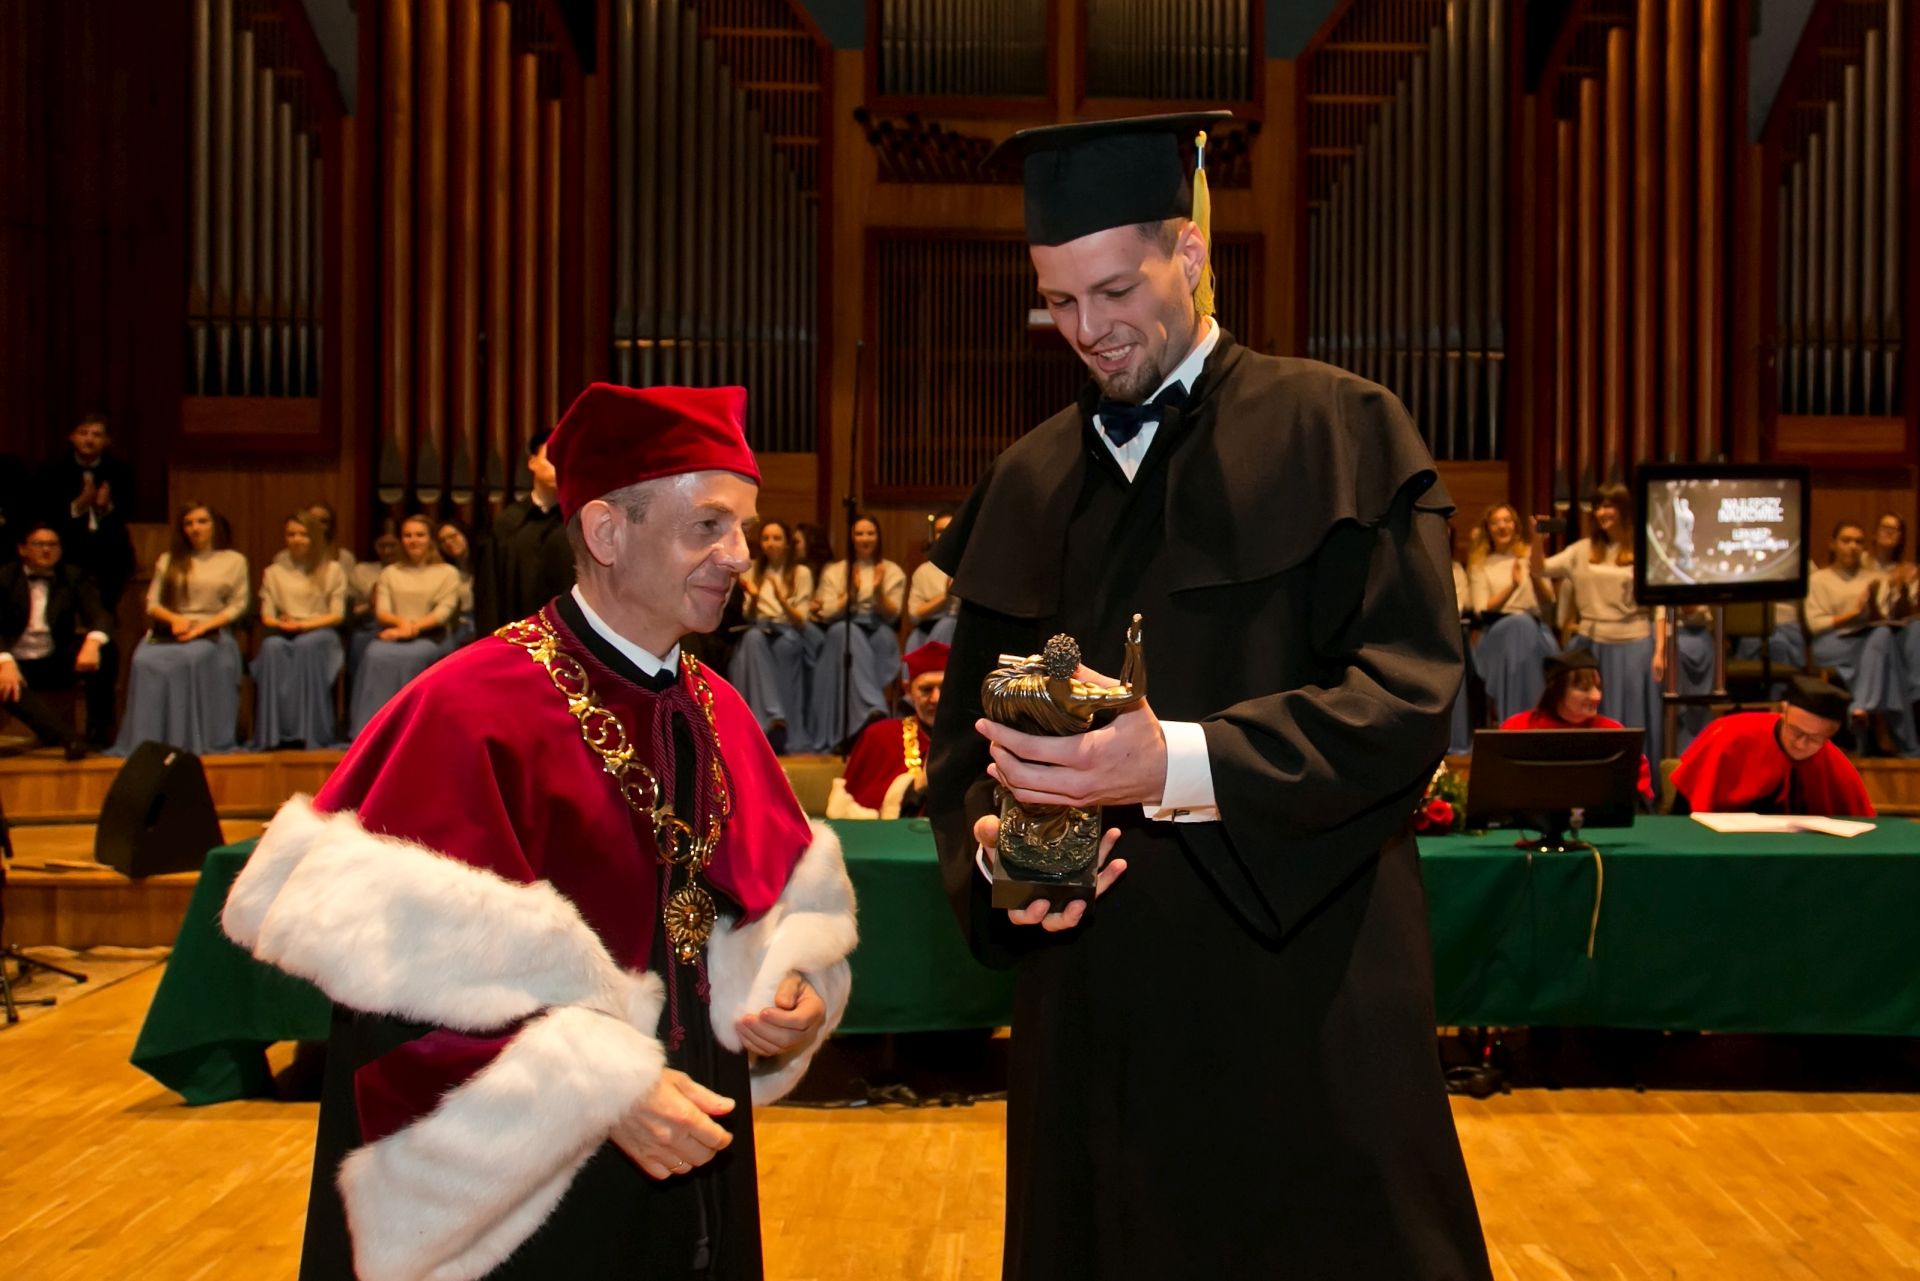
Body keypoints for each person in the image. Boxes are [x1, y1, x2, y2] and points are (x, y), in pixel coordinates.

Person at [925, 113, 1489, 1280]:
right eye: (1058, 301)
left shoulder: (1341, 428)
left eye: (1114, 290)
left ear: (1188, 251)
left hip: (1300, 997)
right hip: (1095, 1025)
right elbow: (963, 760)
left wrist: (1175, 762)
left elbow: (1405, 700)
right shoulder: (1026, 480)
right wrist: (1000, 858)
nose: (1087, 329)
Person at [221, 381, 856, 1281]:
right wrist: (595, 1086)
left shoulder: (718, 706)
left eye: (743, 528)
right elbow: (394, 1002)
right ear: (606, 531)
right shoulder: (466, 709)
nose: (741, 555)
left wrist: (793, 983)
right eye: (709, 527)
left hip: (697, 1161)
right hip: (534, 1203)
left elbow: (774, 900)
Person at [1531, 484, 1666, 767]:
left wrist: (1660, 651)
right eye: (1599, 507)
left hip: (1634, 643)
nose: (1602, 512)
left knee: (1632, 717)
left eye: (1609, 506)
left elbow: (1660, 606)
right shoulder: (1581, 550)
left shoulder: (1643, 548)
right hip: (1592, 646)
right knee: (1591, 716)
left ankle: (1635, 780)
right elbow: (1540, 569)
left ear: (1624, 510)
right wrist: (1537, 540)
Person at [111, 502, 249, 757]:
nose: (195, 528)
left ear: (214, 525)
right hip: (174, 626)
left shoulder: (233, 560)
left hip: (212, 629)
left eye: (202, 521)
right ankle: (148, 742)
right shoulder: (169, 560)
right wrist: (175, 620)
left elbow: (237, 605)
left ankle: (188, 739)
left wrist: (203, 627)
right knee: (143, 659)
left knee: (192, 657)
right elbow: (152, 604)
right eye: (189, 523)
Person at [1669, 676, 1874, 816]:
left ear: (1830, 735)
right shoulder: (1731, 736)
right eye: (1796, 731)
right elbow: (1683, 811)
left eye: (1814, 739)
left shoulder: (1835, 764)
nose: (1801, 744)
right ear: (1783, 711)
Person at [0, 522, 116, 757]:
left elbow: (99, 614)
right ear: (22, 549)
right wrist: (4, 660)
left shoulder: (72, 575)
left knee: (107, 651)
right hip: (15, 659)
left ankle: (98, 737)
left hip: (53, 658)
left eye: (52, 544)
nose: (46, 550)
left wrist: (93, 642)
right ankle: (67, 738)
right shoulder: (4, 577)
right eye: (39, 544)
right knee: (4, 681)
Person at [1805, 520, 1917, 755]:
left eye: (1858, 542)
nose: (1853, 546)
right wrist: (1853, 614)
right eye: (1846, 540)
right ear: (1833, 544)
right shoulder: (1818, 579)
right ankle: (1893, 734)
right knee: (1888, 660)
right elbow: (1815, 624)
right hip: (1832, 641)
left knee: (1883, 636)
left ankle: (1862, 711)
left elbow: (1884, 617)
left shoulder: (1874, 578)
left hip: (1867, 640)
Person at [347, 515, 461, 738]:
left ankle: (411, 732)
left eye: (419, 535)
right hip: (396, 632)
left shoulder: (447, 573)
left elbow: (442, 613)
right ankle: (372, 732)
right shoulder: (390, 573)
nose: (413, 540)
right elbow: (382, 611)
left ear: (430, 539)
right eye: (407, 535)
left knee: (412, 657)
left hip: (432, 636)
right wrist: (402, 626)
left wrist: (412, 628)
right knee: (373, 653)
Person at [1499, 648, 1656, 806]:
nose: (1596, 696)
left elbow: (1638, 790)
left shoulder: (1613, 731)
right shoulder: (1517, 727)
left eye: (1598, 687)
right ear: (1557, 691)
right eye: (1584, 688)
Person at [809, 515, 906, 751]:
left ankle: (865, 719)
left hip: (878, 630)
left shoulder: (891, 570)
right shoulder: (836, 571)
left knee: (879, 638)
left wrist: (877, 591)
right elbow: (826, 611)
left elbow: (894, 613)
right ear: (851, 538)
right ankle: (872, 710)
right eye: (859, 533)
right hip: (842, 632)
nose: (865, 539)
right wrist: (850, 594)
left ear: (878, 537)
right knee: (846, 632)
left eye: (870, 533)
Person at [252, 512, 347, 750]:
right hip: (284, 630)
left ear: (314, 537)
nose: (296, 539)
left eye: (303, 534)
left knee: (307, 646)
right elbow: (267, 615)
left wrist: (304, 625)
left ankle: (312, 732)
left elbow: (337, 614)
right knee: (271, 647)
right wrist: (283, 624)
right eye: (291, 534)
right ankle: (274, 735)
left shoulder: (332, 569)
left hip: (320, 631)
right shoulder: (274, 572)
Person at [729, 517, 820, 754]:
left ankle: (785, 727)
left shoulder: (800, 572)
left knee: (785, 646)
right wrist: (754, 598)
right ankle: (770, 721)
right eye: (766, 538)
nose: (771, 543)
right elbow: (749, 615)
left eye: (777, 538)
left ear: (787, 543)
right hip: (760, 629)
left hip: (790, 631)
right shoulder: (752, 569)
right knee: (753, 639)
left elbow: (801, 619)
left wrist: (780, 599)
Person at [474, 425, 574, 634]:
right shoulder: (507, 523)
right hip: (517, 634)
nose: (559, 466)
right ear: (532, 462)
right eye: (551, 458)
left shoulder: (580, 523)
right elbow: (490, 591)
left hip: (570, 635)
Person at [828, 640, 945, 819]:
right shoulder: (880, 736)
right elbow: (854, 809)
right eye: (926, 689)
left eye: (944, 688)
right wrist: (914, 787)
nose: (935, 698)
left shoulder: (975, 736)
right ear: (908, 690)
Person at [1466, 502, 1558, 722]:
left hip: (1534, 630)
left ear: (1515, 526)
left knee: (1525, 627)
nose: (1502, 526)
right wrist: (1512, 587)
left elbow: (1549, 600)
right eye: (1495, 522)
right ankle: (1517, 720)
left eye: (1507, 521)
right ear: (1488, 529)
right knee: (1519, 626)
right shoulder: (1481, 565)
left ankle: (1535, 719)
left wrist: (1534, 576)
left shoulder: (1530, 557)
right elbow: (1481, 608)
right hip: (1497, 631)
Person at [41, 413, 137, 610]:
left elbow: (130, 510)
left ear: (107, 440)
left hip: (109, 551)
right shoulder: (53, 471)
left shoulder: (120, 470)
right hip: (67, 549)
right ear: (72, 437)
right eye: (83, 433)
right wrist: (79, 505)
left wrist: (105, 507)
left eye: (96, 434)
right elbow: (47, 514)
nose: (89, 439)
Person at [345, 523, 400, 674]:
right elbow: (350, 611)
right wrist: (370, 604)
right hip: (369, 622)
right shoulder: (362, 571)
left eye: (392, 545)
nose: (387, 551)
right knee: (359, 639)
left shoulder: (406, 571)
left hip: (401, 622)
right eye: (382, 546)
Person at [905, 511, 960, 648]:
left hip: (955, 630)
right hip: (926, 628)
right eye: (940, 531)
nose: (945, 535)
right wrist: (944, 596)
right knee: (914, 639)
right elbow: (914, 614)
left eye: (950, 530)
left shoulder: (967, 568)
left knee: (946, 624)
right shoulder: (923, 571)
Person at [435, 518, 478, 650]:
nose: (448, 542)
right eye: (443, 540)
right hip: (456, 626)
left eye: (453, 536)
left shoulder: (485, 563)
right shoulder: (444, 570)